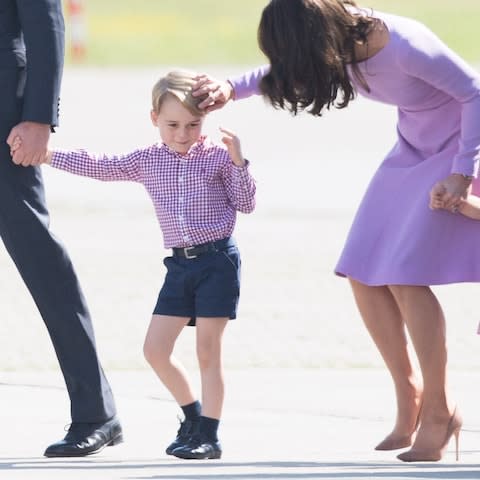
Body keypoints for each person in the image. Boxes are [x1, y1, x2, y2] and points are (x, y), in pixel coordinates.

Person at [191, 0, 480, 463]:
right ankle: (411, 397)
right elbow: (283, 70)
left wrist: (463, 173)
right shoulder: (338, 45)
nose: (290, 65)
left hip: (462, 151)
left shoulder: (403, 44)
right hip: (414, 148)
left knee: (405, 273)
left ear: (317, 36)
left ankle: (441, 412)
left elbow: (475, 92)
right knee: (363, 270)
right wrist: (231, 87)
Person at [12, 70, 256, 460]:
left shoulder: (216, 158)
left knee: (208, 351)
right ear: (154, 119)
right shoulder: (149, 160)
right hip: (179, 267)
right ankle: (192, 418)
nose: (183, 133)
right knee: (155, 350)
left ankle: (210, 435)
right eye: (173, 124)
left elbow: (245, 203)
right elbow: (102, 166)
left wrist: (239, 161)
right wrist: (49, 156)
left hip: (217, 262)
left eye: (193, 124)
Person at [1, 0, 121, 457]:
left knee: (38, 257)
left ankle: (96, 411)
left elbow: (44, 18)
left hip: (5, 117)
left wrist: (38, 117)